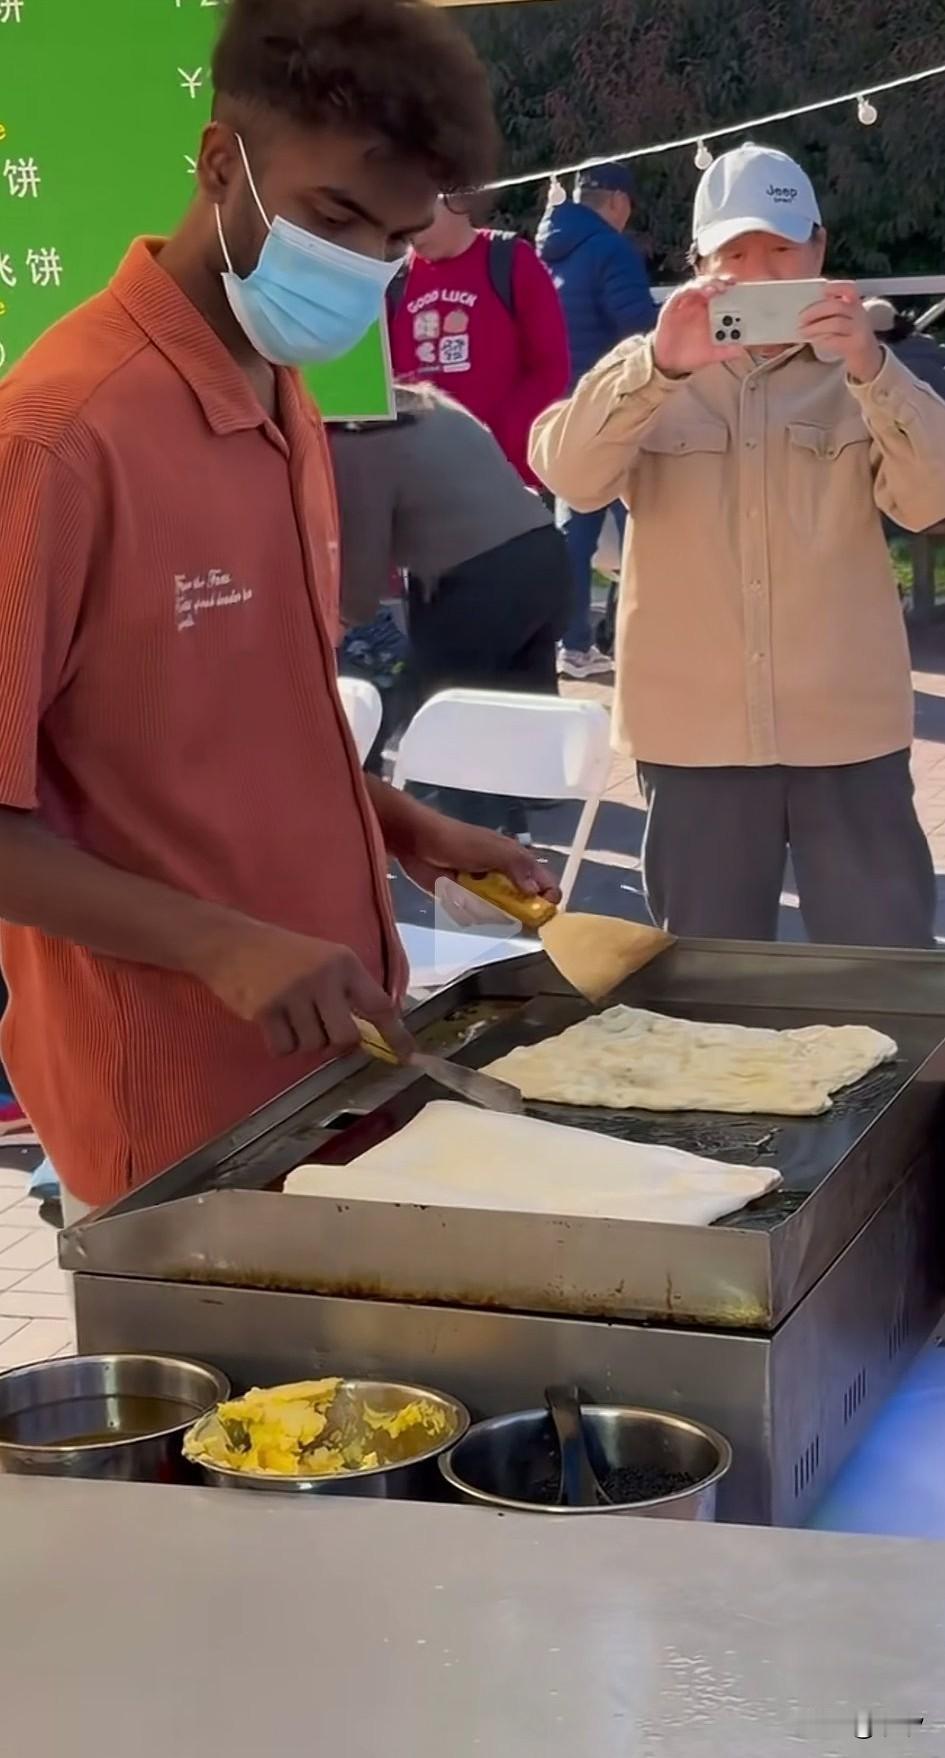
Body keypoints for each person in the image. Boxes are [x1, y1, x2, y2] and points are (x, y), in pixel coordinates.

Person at [0, 0, 556, 1225]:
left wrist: (400, 823)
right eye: (335, 219)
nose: (362, 269)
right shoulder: (58, 436)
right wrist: (224, 945)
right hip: (177, 1128)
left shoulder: (281, 386)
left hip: (342, 1077)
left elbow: (218, 730)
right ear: (217, 164)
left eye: (398, 239)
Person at [532, 141, 945, 949]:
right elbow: (569, 476)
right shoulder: (647, 369)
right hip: (693, 740)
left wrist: (868, 367)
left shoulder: (863, 373)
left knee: (881, 968)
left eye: (780, 249)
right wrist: (658, 366)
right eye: (734, 253)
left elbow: (930, 499)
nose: (758, 273)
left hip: (846, 735)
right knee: (710, 985)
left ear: (818, 249)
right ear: (698, 265)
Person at [330, 382, 572, 837]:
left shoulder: (353, 436)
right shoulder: (429, 403)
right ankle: (511, 834)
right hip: (544, 556)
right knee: (501, 713)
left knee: (452, 727)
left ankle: (474, 859)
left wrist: (339, 624)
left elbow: (359, 568)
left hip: (475, 579)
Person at [538, 165, 656, 678]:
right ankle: (641, 637)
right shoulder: (612, 251)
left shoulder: (544, 252)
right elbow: (637, 326)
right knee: (648, 526)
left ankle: (573, 643)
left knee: (573, 531)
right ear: (619, 203)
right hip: (618, 403)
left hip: (562, 403)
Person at [387, 195, 569, 488]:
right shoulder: (396, 280)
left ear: (454, 198)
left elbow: (551, 368)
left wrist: (497, 437)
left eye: (418, 212)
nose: (410, 230)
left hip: (503, 478)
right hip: (421, 480)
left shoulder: (510, 260)